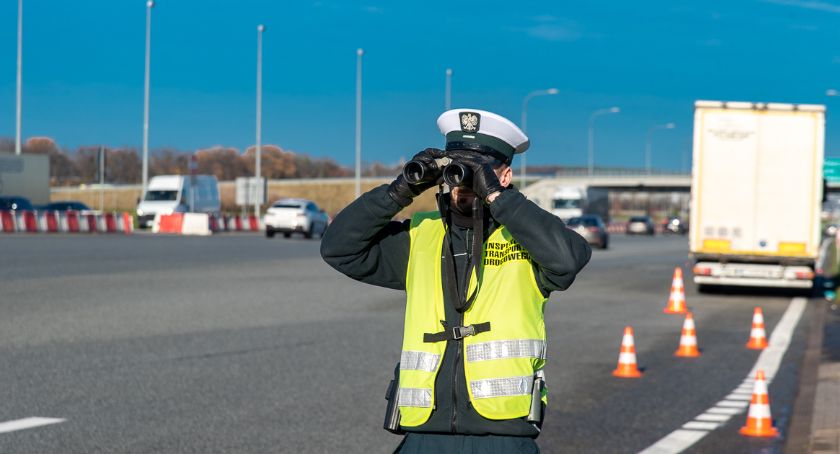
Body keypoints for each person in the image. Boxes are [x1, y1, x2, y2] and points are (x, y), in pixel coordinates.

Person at [320, 109, 592, 453]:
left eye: (478, 172)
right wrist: (400, 190)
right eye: (456, 171)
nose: (462, 184)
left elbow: (568, 259)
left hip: (503, 436)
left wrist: (497, 197)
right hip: (424, 432)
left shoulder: (524, 239)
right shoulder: (421, 236)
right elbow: (338, 248)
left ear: (505, 176)